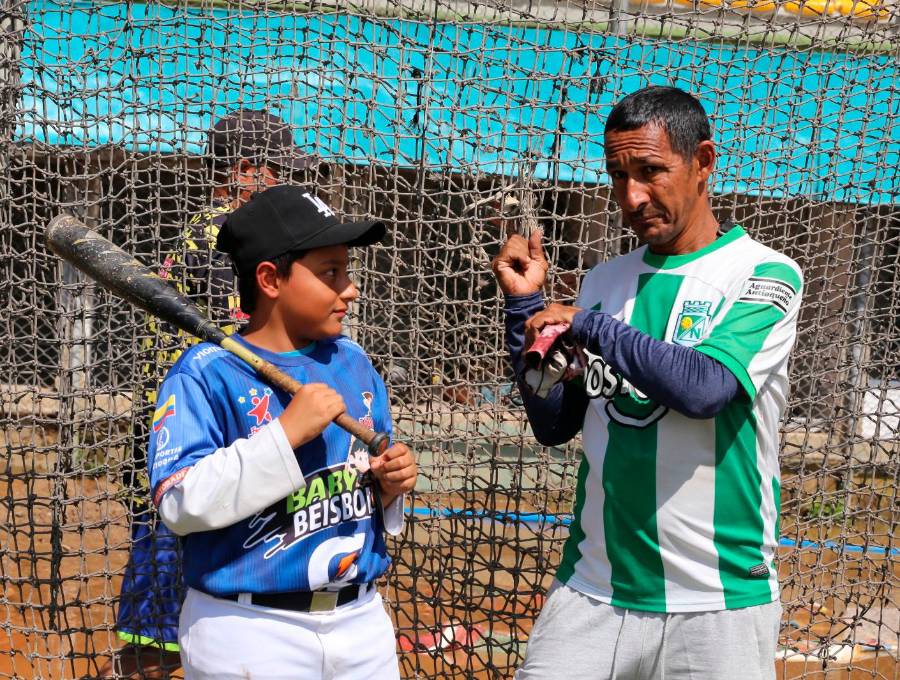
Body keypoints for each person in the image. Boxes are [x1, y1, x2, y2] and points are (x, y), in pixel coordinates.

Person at [492, 86, 803, 680]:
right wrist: (525, 306)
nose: (631, 196)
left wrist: (589, 324)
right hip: (594, 589)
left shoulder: (764, 273)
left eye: (650, 171)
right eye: (618, 175)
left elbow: (704, 389)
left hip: (718, 602)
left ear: (703, 162)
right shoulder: (604, 282)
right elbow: (555, 423)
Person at [147, 184, 417, 678]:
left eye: (347, 271)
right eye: (330, 273)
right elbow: (179, 504)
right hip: (249, 629)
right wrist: (284, 435)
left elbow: (362, 487)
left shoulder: (353, 361)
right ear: (270, 279)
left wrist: (389, 483)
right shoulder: (205, 372)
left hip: (361, 619)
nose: (350, 289)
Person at [102, 109, 321, 679]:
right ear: (244, 171)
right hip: (189, 455)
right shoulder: (225, 237)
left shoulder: (217, 231)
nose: (285, 185)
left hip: (201, 454)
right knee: (155, 644)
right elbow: (245, 348)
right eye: (276, 172)